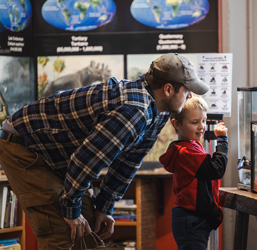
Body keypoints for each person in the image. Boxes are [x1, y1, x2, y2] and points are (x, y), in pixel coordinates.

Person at [0, 53, 209, 250]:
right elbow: (85, 162)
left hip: (58, 152)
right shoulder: (134, 111)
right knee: (63, 232)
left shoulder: (160, 112)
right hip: (24, 142)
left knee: (89, 224)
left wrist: (104, 208)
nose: (190, 94)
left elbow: (128, 163)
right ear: (168, 89)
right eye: (187, 89)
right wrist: (71, 209)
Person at [159, 94, 228, 250]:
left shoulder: (191, 146)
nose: (201, 126)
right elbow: (216, 169)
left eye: (203, 121)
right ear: (176, 124)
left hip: (193, 217)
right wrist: (222, 140)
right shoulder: (186, 152)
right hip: (191, 218)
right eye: (194, 122)